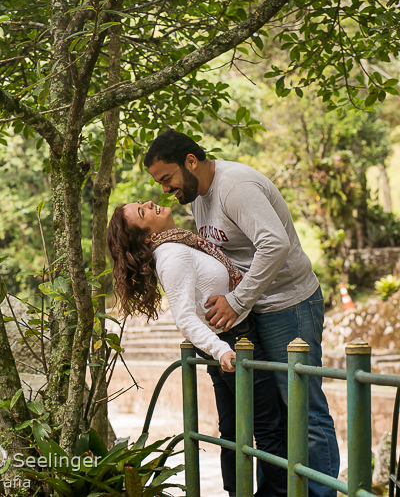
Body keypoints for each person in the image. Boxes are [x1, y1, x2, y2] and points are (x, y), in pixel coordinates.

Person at [143, 129, 339, 497]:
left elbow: (274, 243)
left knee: (304, 411)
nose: (165, 189)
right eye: (159, 183)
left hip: (289, 303)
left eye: (166, 178)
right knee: (272, 420)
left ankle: (323, 494)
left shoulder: (236, 186)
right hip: (253, 311)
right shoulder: (199, 198)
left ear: (190, 161)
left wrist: (236, 301)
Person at [107, 201, 286, 497]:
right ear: (148, 237)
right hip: (233, 342)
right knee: (269, 427)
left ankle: (238, 493)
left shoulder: (182, 244)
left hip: (232, 338)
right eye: (143, 212)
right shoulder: (171, 254)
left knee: (234, 430)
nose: (150, 203)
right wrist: (220, 350)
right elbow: (184, 316)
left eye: (142, 204)